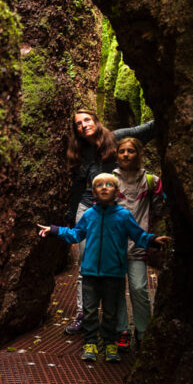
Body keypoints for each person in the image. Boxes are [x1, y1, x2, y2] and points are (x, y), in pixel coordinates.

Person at [38, 173, 171, 362]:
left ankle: (110, 343)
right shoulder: (89, 215)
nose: (104, 187)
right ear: (94, 192)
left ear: (117, 192)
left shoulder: (124, 216)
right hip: (90, 272)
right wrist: (54, 230)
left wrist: (153, 240)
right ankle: (91, 342)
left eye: (109, 185)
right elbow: (76, 234)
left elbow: (138, 235)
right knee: (90, 311)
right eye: (100, 185)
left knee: (111, 311)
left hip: (114, 273)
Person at [63, 109, 156, 335]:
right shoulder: (80, 151)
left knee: (116, 266)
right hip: (88, 209)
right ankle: (83, 314)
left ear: (96, 121)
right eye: (78, 124)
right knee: (87, 261)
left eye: (87, 120)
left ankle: (119, 323)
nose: (84, 125)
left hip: (116, 207)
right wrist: (71, 213)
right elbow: (77, 186)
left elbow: (147, 130)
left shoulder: (116, 138)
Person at [113, 138, 167, 351]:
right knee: (116, 289)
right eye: (122, 151)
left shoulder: (150, 180)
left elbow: (160, 209)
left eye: (131, 151)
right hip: (114, 244)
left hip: (138, 243)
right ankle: (122, 331)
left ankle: (143, 332)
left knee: (139, 288)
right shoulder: (110, 180)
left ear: (139, 153)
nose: (126, 155)